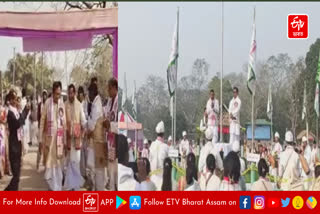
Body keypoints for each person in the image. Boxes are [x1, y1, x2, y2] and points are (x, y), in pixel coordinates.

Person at [39, 81, 66, 191]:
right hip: (49, 140)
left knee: (59, 166)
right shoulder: (47, 103)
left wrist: (65, 141)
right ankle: (53, 188)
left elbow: (64, 123)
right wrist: (40, 139)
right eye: (56, 94)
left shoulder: (61, 104)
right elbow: (42, 121)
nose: (57, 96)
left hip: (59, 142)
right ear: (52, 92)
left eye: (59, 94)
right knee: (50, 167)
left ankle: (57, 189)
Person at [4, 90, 30, 190]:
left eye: (16, 99)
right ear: (10, 100)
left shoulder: (16, 111)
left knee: (17, 176)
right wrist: (24, 111)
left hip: (18, 145)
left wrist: (25, 111)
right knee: (16, 176)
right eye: (14, 99)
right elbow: (17, 123)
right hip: (13, 147)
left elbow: (22, 121)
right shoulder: (10, 113)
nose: (16, 101)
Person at [63, 84, 87, 191]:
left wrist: (83, 132)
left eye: (72, 93)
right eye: (69, 93)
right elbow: (63, 122)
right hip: (68, 138)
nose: (71, 95)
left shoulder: (79, 105)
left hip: (77, 138)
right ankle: (70, 185)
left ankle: (76, 186)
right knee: (69, 162)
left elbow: (83, 121)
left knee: (76, 162)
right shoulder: (65, 105)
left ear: (75, 93)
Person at [87, 82, 107, 191]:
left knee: (97, 168)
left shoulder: (96, 105)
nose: (88, 96)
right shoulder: (95, 103)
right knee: (94, 166)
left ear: (93, 92)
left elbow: (91, 125)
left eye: (89, 93)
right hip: (96, 140)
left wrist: (88, 121)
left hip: (98, 141)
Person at [103, 77, 118, 191]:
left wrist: (110, 125)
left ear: (114, 88)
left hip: (118, 143)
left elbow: (121, 125)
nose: (108, 92)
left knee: (116, 174)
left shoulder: (119, 101)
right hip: (110, 142)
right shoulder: (109, 101)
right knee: (110, 173)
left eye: (109, 89)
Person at [149, 121, 169, 190]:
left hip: (152, 178)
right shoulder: (166, 147)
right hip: (162, 179)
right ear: (164, 134)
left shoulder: (152, 145)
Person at [37, 90, 48, 170]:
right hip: (41, 128)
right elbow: (38, 116)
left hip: (47, 129)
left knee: (46, 148)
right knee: (40, 147)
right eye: (43, 95)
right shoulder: (40, 105)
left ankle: (45, 164)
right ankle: (37, 164)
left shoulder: (48, 104)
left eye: (45, 95)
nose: (44, 96)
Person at [228, 87, 241, 152]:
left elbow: (237, 110)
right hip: (232, 123)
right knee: (231, 138)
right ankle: (230, 152)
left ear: (237, 93)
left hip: (236, 122)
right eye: (233, 92)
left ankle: (237, 152)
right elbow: (229, 109)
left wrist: (232, 114)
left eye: (235, 92)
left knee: (236, 139)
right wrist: (230, 113)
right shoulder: (231, 101)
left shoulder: (239, 101)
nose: (234, 93)